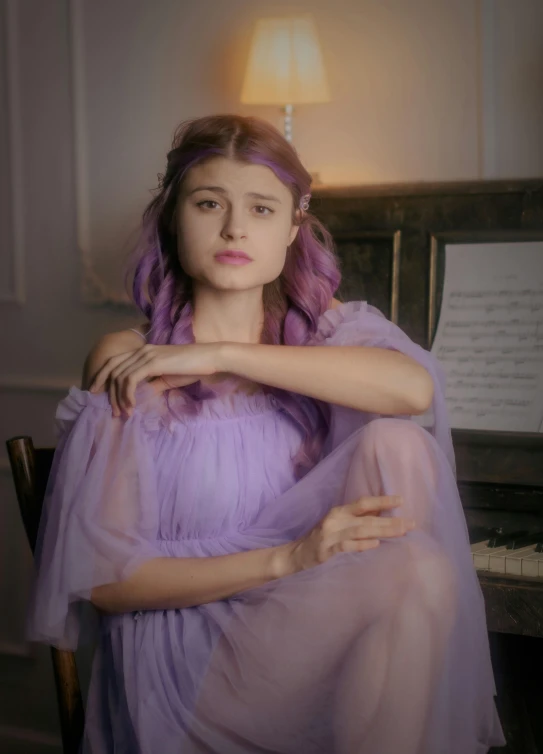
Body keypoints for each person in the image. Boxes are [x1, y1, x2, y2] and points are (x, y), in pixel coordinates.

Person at [25, 113, 506, 754]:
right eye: (208, 203)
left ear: (291, 228)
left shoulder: (323, 329)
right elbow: (110, 586)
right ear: (173, 216)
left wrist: (222, 356)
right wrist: (289, 558)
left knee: (401, 448)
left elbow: (413, 390)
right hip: (183, 657)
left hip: (305, 633)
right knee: (415, 574)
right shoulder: (127, 358)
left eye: (260, 207)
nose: (234, 228)